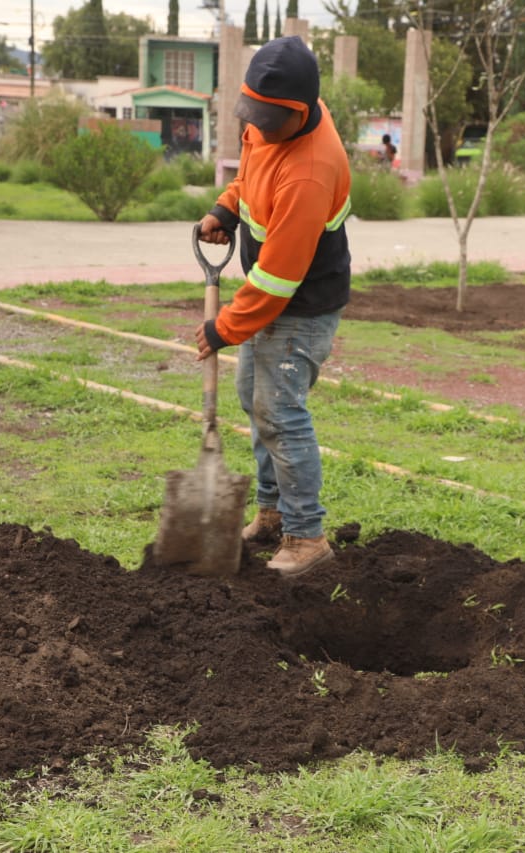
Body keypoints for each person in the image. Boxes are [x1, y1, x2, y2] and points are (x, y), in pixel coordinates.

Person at [194, 36, 352, 578]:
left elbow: (280, 280)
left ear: (301, 112)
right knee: (252, 400)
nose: (256, 128)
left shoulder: (311, 169)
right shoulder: (267, 120)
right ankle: (270, 513)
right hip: (272, 292)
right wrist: (226, 208)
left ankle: (306, 536)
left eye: (268, 120)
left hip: (302, 305)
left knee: (280, 413)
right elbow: (251, 174)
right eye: (251, 115)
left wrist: (223, 329)